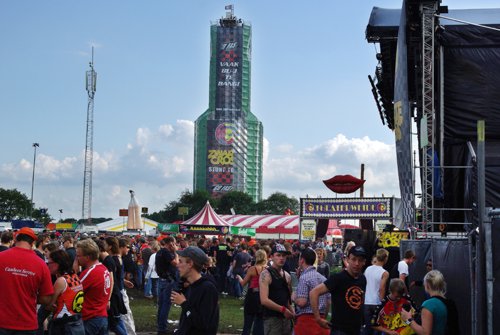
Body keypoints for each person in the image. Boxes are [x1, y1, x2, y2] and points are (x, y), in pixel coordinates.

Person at [0, 227, 54, 333]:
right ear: (33, 242)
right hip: (27, 323)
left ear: (15, 239)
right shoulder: (41, 264)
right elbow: (46, 298)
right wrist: (29, 296)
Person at [311, 245, 368, 335]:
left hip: (356, 329)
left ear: (364, 262)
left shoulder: (362, 279)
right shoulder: (338, 278)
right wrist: (318, 318)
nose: (357, 263)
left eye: (360, 260)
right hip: (340, 330)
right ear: (348, 259)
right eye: (354, 259)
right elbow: (314, 292)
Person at [171, 246, 219, 335]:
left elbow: (203, 324)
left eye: (181, 261)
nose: (177, 265)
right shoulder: (192, 286)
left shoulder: (208, 288)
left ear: (190, 264)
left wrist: (184, 304)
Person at [46, 249, 85, 335]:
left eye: (49, 263)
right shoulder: (74, 276)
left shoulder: (61, 281)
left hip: (63, 324)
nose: (48, 266)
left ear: (58, 264)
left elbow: (49, 305)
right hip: (77, 322)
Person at [77, 238, 111, 335]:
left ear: (87, 257)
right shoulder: (103, 269)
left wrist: (74, 273)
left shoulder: (90, 273)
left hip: (91, 318)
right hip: (102, 315)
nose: (77, 258)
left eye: (78, 256)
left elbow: (73, 291)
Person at [292, 247, 330, 335]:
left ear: (302, 260)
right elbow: (328, 301)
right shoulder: (323, 278)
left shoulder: (304, 278)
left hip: (306, 323)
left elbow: (302, 302)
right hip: (321, 321)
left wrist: (294, 297)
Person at [259, 243, 295, 335]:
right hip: (272, 319)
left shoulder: (287, 276)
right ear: (271, 257)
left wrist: (293, 313)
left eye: (284, 255)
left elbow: (288, 300)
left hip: (286, 320)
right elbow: (264, 300)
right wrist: (283, 310)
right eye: (278, 255)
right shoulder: (265, 274)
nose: (281, 258)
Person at [401, 270, 448, 335]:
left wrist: (408, 319)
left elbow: (425, 333)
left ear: (427, 285)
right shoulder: (446, 302)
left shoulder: (428, 304)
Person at [99, 238, 127, 335]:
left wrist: (108, 298)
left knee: (114, 323)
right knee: (115, 320)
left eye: (105, 244)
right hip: (115, 293)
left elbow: (111, 280)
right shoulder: (112, 259)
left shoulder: (109, 260)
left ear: (110, 246)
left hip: (113, 295)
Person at [236, 249, 267, 335]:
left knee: (248, 323)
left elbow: (243, 283)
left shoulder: (252, 269)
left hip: (252, 296)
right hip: (263, 296)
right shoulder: (268, 269)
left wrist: (239, 277)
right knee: (260, 322)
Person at [362, 248, 389, 335]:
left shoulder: (368, 269)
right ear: (385, 258)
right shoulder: (384, 273)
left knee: (368, 327)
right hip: (377, 302)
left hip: (367, 301)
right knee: (377, 328)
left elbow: (364, 284)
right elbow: (382, 288)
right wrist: (382, 303)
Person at [155, 236, 179, 335]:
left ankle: (160, 324)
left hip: (161, 279)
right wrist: (176, 252)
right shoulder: (166, 252)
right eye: (174, 243)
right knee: (166, 305)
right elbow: (176, 264)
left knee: (161, 304)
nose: (176, 245)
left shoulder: (159, 252)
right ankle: (162, 328)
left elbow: (157, 268)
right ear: (171, 244)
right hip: (168, 281)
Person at [118, 238, 136, 335]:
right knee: (125, 316)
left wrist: (124, 281)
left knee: (124, 317)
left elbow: (117, 277)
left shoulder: (119, 259)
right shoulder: (116, 259)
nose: (129, 249)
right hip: (119, 292)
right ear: (121, 247)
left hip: (121, 289)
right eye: (127, 247)